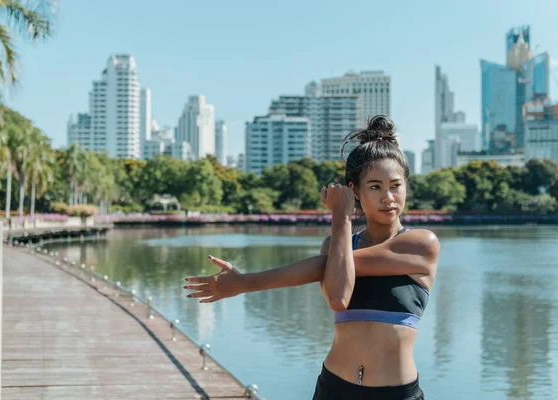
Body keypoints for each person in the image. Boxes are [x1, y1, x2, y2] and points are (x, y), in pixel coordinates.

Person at [184, 115, 439, 400]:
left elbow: (329, 268)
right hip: (334, 389)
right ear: (354, 190)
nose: (388, 197)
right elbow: (338, 297)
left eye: (396, 185)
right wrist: (341, 223)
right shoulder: (334, 246)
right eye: (375, 186)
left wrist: (245, 282)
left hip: (397, 395)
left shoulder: (420, 244)